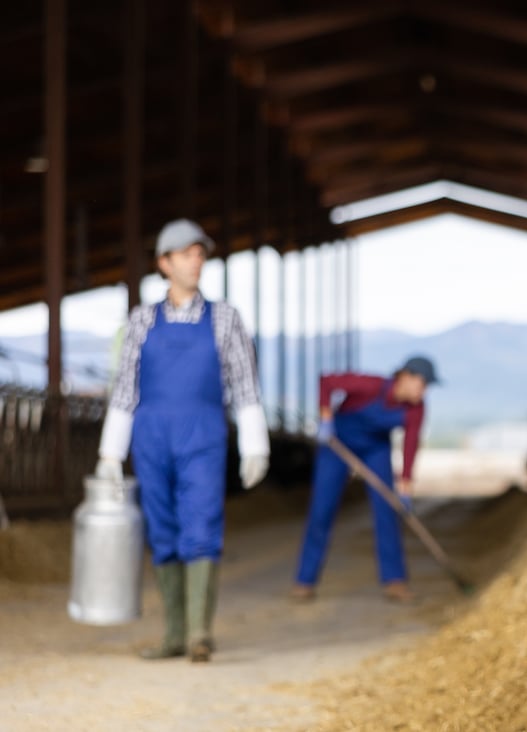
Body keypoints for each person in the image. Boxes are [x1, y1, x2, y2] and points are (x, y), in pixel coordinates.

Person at [95, 218, 270, 663]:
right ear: (164, 263)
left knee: (202, 522)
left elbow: (245, 384)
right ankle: (173, 632)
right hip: (150, 435)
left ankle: (198, 633)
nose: (196, 261)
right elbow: (125, 389)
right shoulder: (141, 321)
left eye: (199, 253)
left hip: (202, 434)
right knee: (162, 527)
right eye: (187, 254)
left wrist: (256, 443)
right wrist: (110, 453)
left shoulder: (225, 318)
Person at [290, 356, 436, 604]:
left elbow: (411, 443)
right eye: (423, 384)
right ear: (406, 377)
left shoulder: (416, 408)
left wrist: (405, 487)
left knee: (387, 510)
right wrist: (326, 419)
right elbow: (326, 381)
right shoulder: (371, 385)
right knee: (321, 510)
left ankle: (394, 581)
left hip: (375, 449)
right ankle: (305, 581)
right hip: (337, 444)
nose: (424, 391)